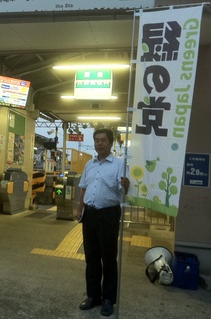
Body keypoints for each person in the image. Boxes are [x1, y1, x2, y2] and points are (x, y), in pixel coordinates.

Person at [76, 128, 130, 317]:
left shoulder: (119, 164)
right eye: (97, 140)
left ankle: (108, 300)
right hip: (89, 215)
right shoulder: (89, 164)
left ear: (111, 142)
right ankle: (93, 296)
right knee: (91, 258)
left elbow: (122, 190)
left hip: (108, 215)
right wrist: (79, 209)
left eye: (104, 140)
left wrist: (126, 186)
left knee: (108, 259)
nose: (100, 143)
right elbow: (84, 188)